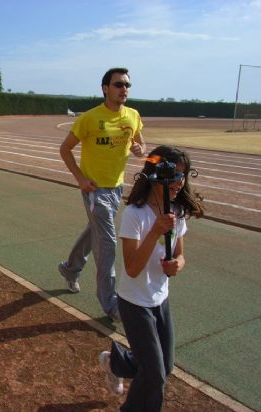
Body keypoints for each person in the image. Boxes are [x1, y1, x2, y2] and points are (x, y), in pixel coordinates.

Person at [99, 145, 204, 411]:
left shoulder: (177, 213)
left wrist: (176, 265)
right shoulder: (136, 214)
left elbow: (181, 255)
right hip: (134, 302)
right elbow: (132, 268)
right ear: (156, 175)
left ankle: (117, 362)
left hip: (160, 299)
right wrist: (155, 229)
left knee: (164, 366)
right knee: (155, 375)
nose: (178, 183)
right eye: (173, 176)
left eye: (182, 176)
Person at [57, 67, 146, 321]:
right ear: (105, 88)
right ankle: (110, 304)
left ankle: (70, 269)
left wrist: (140, 149)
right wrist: (80, 179)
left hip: (117, 188)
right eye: (119, 84)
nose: (124, 89)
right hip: (94, 190)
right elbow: (65, 149)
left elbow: (141, 145)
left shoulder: (133, 116)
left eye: (127, 85)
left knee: (95, 231)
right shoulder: (90, 118)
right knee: (107, 243)